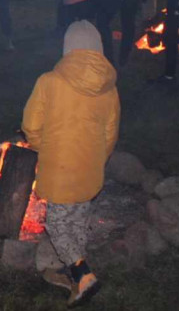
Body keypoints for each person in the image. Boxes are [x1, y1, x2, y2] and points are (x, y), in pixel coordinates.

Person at [22, 20, 119, 307]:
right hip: (91, 169)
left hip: (59, 168)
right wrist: (97, 159)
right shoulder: (109, 88)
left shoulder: (49, 81)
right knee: (76, 219)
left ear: (67, 48)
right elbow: (110, 134)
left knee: (57, 223)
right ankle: (73, 272)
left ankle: (83, 273)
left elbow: (30, 125)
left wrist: (44, 148)